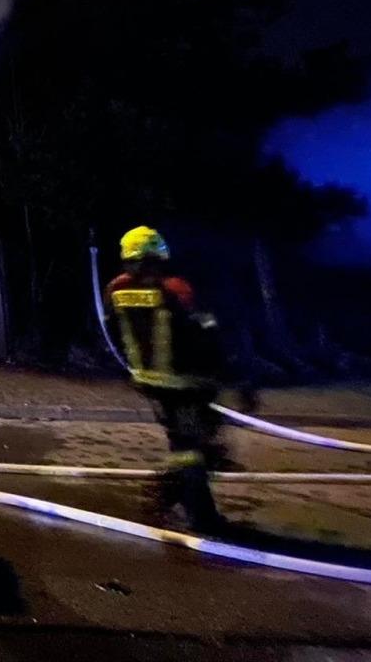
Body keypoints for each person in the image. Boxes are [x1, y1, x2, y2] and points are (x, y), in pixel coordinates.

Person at [105, 226, 229, 532]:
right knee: (191, 449)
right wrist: (227, 374)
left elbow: (112, 333)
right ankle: (201, 518)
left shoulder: (115, 290)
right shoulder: (176, 289)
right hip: (188, 383)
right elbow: (208, 335)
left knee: (185, 441)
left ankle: (170, 493)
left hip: (150, 383)